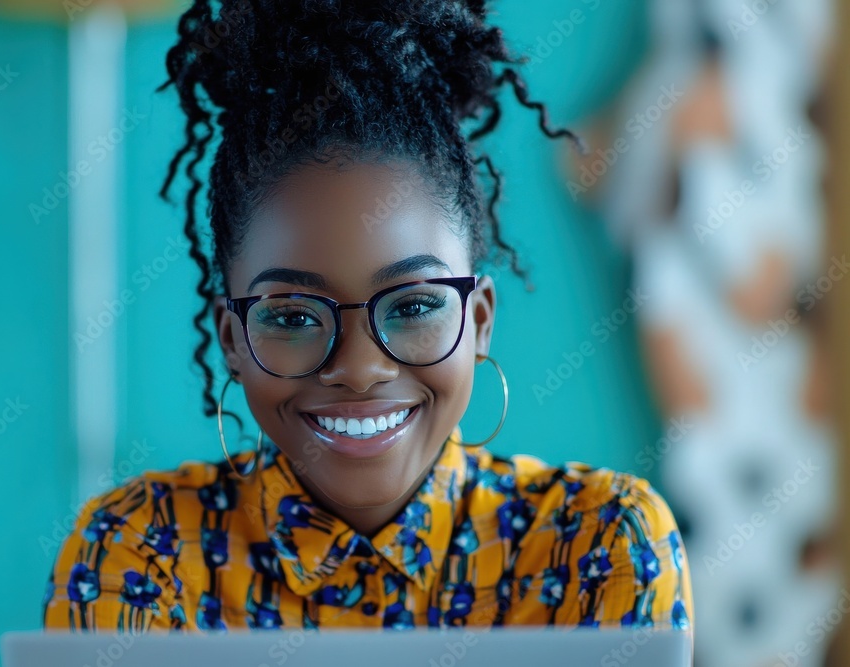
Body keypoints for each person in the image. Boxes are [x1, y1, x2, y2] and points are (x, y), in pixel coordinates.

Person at [42, 0, 694, 633]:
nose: (358, 367)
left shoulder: (598, 547)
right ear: (232, 339)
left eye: (413, 306)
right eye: (294, 317)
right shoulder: (139, 554)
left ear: (479, 320)